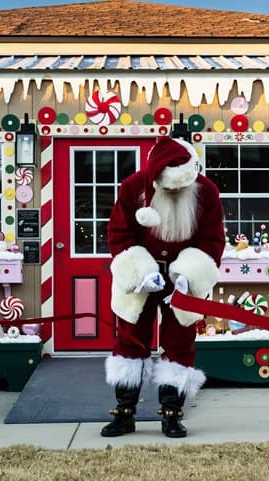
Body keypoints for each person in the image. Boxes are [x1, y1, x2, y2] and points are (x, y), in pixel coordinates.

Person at [102, 136, 224, 438]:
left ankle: (172, 414)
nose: (177, 191)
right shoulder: (132, 188)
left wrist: (189, 274)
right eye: (170, 187)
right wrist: (140, 270)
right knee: (130, 340)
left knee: (180, 342)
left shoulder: (206, 193)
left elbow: (212, 240)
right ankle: (124, 413)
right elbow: (119, 234)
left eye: (182, 186)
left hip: (182, 279)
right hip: (142, 277)